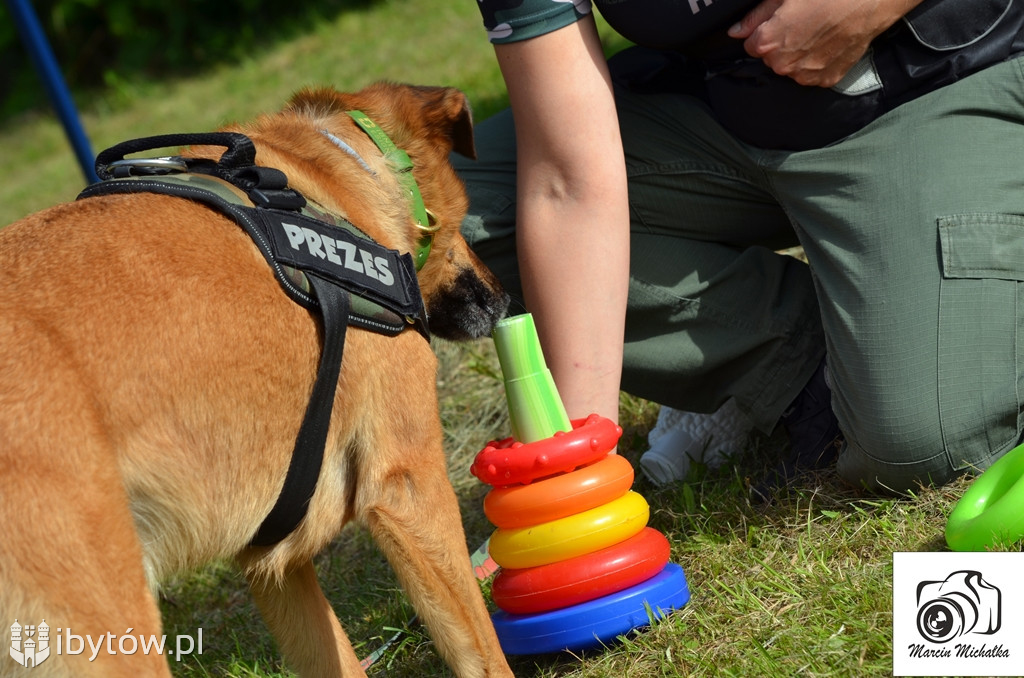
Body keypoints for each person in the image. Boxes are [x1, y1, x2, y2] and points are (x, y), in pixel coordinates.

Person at [453, 0, 1024, 495]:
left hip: (930, 83)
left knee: (920, 442)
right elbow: (561, 179)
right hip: (717, 108)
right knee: (438, 225)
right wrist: (579, 470)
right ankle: (801, 367)